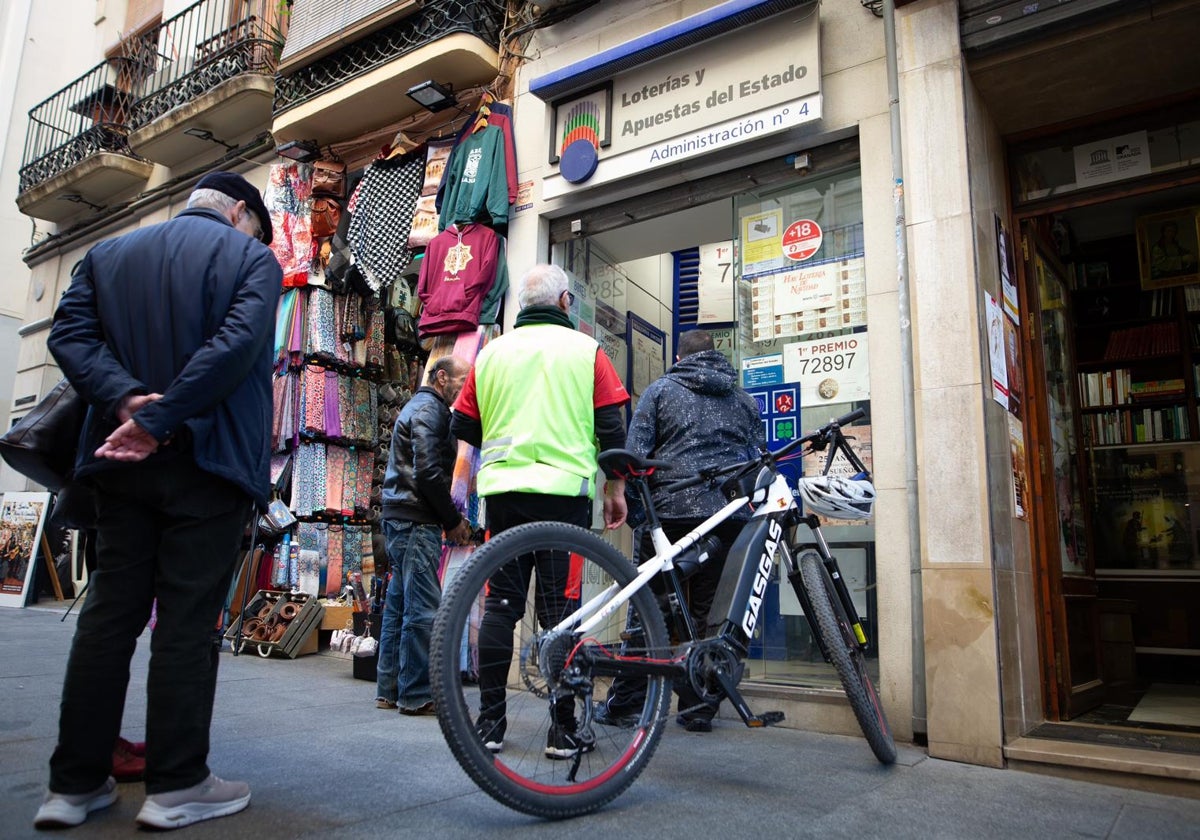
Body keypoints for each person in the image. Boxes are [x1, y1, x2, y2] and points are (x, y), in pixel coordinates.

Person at [35, 172, 281, 831]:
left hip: (119, 465)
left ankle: (73, 784)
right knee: (186, 622)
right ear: (240, 212)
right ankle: (177, 784)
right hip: (209, 463)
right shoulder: (253, 259)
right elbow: (235, 349)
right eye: (257, 221)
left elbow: (69, 338)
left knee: (109, 618)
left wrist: (126, 402)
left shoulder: (109, 255)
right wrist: (164, 416)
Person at [450, 263, 629, 759]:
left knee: (501, 609)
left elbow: (460, 426)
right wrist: (615, 487)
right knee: (560, 613)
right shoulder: (586, 351)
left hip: (504, 498)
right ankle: (563, 731)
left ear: (524, 306)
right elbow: (613, 433)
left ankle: (489, 725)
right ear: (566, 302)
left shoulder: (491, 355)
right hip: (563, 502)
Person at [594, 329, 765, 732]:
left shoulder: (659, 392)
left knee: (649, 613)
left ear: (678, 356)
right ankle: (698, 707)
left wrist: (639, 517)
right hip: (725, 519)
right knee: (710, 614)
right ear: (716, 357)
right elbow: (755, 461)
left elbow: (635, 460)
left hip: (668, 517)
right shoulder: (743, 401)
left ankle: (628, 705)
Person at [375, 355, 472, 715]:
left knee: (399, 605)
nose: (466, 388)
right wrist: (452, 520)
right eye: (463, 379)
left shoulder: (420, 407)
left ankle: (389, 689)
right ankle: (416, 694)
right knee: (421, 608)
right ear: (442, 377)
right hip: (416, 520)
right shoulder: (431, 411)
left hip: (401, 515)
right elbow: (429, 473)